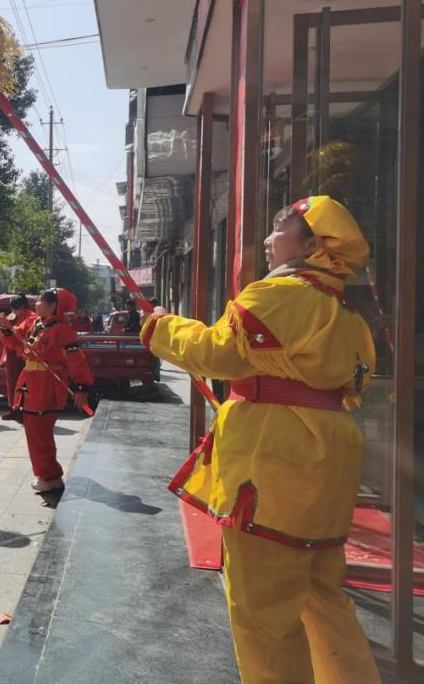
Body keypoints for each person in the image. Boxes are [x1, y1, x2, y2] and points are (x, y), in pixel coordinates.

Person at [141, 196, 380, 684]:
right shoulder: (345, 312)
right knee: (322, 598)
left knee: (263, 615)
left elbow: (217, 352)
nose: (268, 240)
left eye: (279, 229)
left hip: (275, 468)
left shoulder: (280, 294)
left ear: (312, 244)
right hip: (325, 465)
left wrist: (161, 326)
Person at [2, 288, 94, 492]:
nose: (36, 304)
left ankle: (50, 476)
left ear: (54, 306)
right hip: (30, 384)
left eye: (42, 301)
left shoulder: (62, 330)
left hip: (47, 385)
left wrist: (81, 388)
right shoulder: (34, 323)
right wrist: (6, 328)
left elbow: (76, 360)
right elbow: (14, 341)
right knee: (34, 431)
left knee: (40, 432)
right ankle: (47, 474)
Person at [0, 294, 35, 422]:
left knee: (24, 383)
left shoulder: (31, 317)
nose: (13, 311)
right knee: (12, 382)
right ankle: (12, 408)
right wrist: (4, 327)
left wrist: (9, 327)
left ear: (21, 306)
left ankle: (23, 409)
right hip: (11, 354)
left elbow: (21, 333)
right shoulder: (11, 316)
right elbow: (4, 336)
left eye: (15, 308)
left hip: (23, 355)